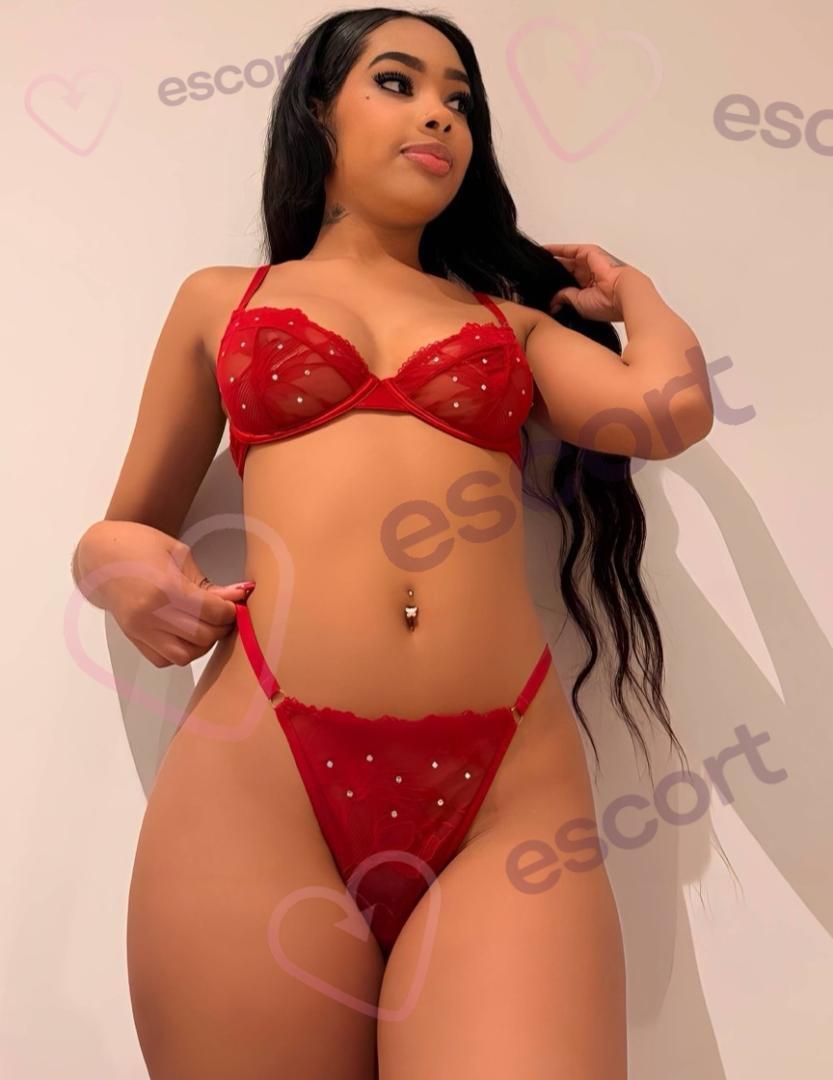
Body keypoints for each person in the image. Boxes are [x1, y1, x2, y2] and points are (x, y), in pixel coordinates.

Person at [71, 8, 713, 1078]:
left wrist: (630, 291)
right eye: (398, 83)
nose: (440, 115)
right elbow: (127, 522)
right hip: (261, 773)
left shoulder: (510, 326)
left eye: (460, 100)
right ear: (317, 113)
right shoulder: (221, 301)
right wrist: (110, 568)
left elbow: (668, 410)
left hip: (505, 791)